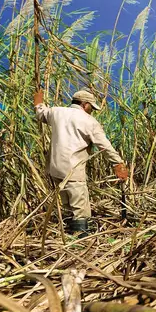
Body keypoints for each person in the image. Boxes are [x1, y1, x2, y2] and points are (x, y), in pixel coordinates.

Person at [33, 89, 129, 235]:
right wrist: (118, 164)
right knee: (80, 210)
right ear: (85, 105)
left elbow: (41, 113)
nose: (92, 111)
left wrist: (38, 102)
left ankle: (68, 237)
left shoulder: (56, 112)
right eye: (91, 107)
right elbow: (105, 146)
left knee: (67, 205)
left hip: (55, 169)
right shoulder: (89, 121)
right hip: (73, 170)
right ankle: (81, 242)